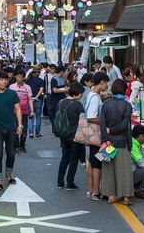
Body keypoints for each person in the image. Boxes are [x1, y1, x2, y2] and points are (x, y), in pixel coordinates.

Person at [99, 78, 135, 204]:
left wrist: (106, 137)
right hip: (123, 141)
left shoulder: (106, 104)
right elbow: (124, 125)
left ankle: (111, 196)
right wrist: (112, 130)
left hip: (108, 143)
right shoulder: (127, 105)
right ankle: (125, 197)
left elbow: (102, 125)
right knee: (124, 170)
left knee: (108, 170)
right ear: (125, 90)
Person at [0, 72, 22, 190]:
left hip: (11, 127)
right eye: (1, 80)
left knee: (11, 153)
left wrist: (20, 125)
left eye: (5, 80)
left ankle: (9, 174)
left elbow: (17, 109)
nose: (4, 82)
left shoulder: (12, 94)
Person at [84, 71, 108, 200]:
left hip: (91, 135)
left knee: (92, 162)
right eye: (106, 84)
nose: (106, 87)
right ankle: (95, 192)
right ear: (102, 82)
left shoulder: (91, 95)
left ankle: (90, 190)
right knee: (97, 162)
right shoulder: (95, 97)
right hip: (96, 135)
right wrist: (104, 122)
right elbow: (91, 117)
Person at [56, 83, 85, 191]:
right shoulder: (78, 105)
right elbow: (83, 120)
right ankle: (70, 182)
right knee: (73, 159)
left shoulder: (61, 102)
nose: (82, 95)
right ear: (77, 93)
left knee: (64, 158)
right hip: (75, 135)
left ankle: (60, 182)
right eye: (81, 93)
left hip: (63, 135)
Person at [10, 70, 33, 153]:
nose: (18, 78)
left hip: (24, 111)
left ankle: (22, 145)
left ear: (24, 78)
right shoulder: (12, 87)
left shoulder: (27, 87)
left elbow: (30, 99)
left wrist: (32, 111)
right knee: (15, 128)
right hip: (14, 112)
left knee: (24, 129)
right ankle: (16, 145)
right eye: (17, 77)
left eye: (20, 77)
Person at [26, 66, 45, 137]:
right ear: (37, 72)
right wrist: (36, 97)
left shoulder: (27, 80)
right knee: (38, 116)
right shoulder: (40, 80)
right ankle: (37, 132)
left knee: (30, 116)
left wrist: (30, 98)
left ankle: (30, 132)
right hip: (37, 99)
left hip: (29, 99)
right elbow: (41, 90)